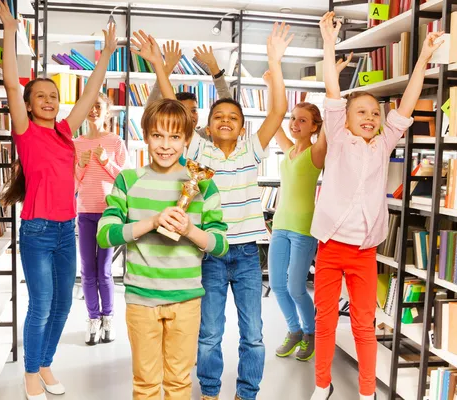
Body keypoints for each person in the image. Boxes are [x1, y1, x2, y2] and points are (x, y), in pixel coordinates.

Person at [137, 23, 293, 400]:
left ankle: (247, 393)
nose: (225, 120)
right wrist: (161, 67)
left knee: (253, 333)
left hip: (248, 256)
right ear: (204, 126)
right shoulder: (198, 152)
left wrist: (274, 62)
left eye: (233, 118)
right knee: (209, 333)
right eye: (218, 116)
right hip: (210, 253)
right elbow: (173, 107)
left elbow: (278, 110)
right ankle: (209, 392)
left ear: (242, 128)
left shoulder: (251, 150)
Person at [310, 12, 443, 400]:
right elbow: (333, 91)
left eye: (374, 113)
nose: (369, 117)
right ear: (345, 120)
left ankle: (367, 392)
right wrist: (328, 41)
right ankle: (322, 385)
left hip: (365, 251)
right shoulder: (336, 136)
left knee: (364, 325)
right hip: (331, 247)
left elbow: (409, 102)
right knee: (325, 320)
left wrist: (424, 59)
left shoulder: (385, 143)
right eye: (360, 112)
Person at [0, 1, 117, 399]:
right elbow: (12, 83)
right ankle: (31, 373)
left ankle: (45, 363)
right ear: (28, 105)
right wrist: (11, 30)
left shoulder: (66, 131)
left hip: (68, 227)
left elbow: (92, 92)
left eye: (53, 95)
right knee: (41, 304)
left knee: (65, 304)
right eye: (40, 96)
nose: (48, 100)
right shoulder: (27, 132)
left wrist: (107, 56)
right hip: (38, 231)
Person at [96, 37, 229, 397]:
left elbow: (220, 244)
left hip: (187, 299)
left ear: (188, 140)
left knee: (179, 381)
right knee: (145, 383)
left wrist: (190, 229)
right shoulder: (128, 180)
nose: (166, 144)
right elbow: (104, 234)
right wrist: (152, 222)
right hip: (141, 300)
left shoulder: (202, 185)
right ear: (146, 137)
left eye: (174, 136)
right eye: (157, 135)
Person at [265, 54, 352, 362]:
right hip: (281, 227)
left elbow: (332, 112)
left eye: (303, 120)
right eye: (294, 118)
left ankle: (310, 332)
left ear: (315, 127)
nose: (295, 123)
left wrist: (334, 79)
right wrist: (272, 83)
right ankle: (294, 331)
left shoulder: (317, 152)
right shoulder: (288, 149)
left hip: (304, 229)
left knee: (296, 287)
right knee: (277, 285)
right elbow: (273, 118)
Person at [74, 92, 129, 346]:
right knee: (87, 271)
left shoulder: (115, 142)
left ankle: (109, 318)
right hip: (85, 212)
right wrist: (81, 165)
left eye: (98, 106)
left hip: (109, 213)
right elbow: (74, 184)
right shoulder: (76, 144)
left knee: (104, 271)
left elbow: (125, 180)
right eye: (90, 106)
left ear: (107, 112)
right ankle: (93, 319)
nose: (93, 110)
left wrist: (106, 162)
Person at [146, 41, 232, 141]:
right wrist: (167, 68)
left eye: (194, 110)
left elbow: (229, 108)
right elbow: (150, 109)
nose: (190, 115)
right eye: (184, 110)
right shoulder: (164, 134)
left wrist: (213, 67)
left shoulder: (204, 136)